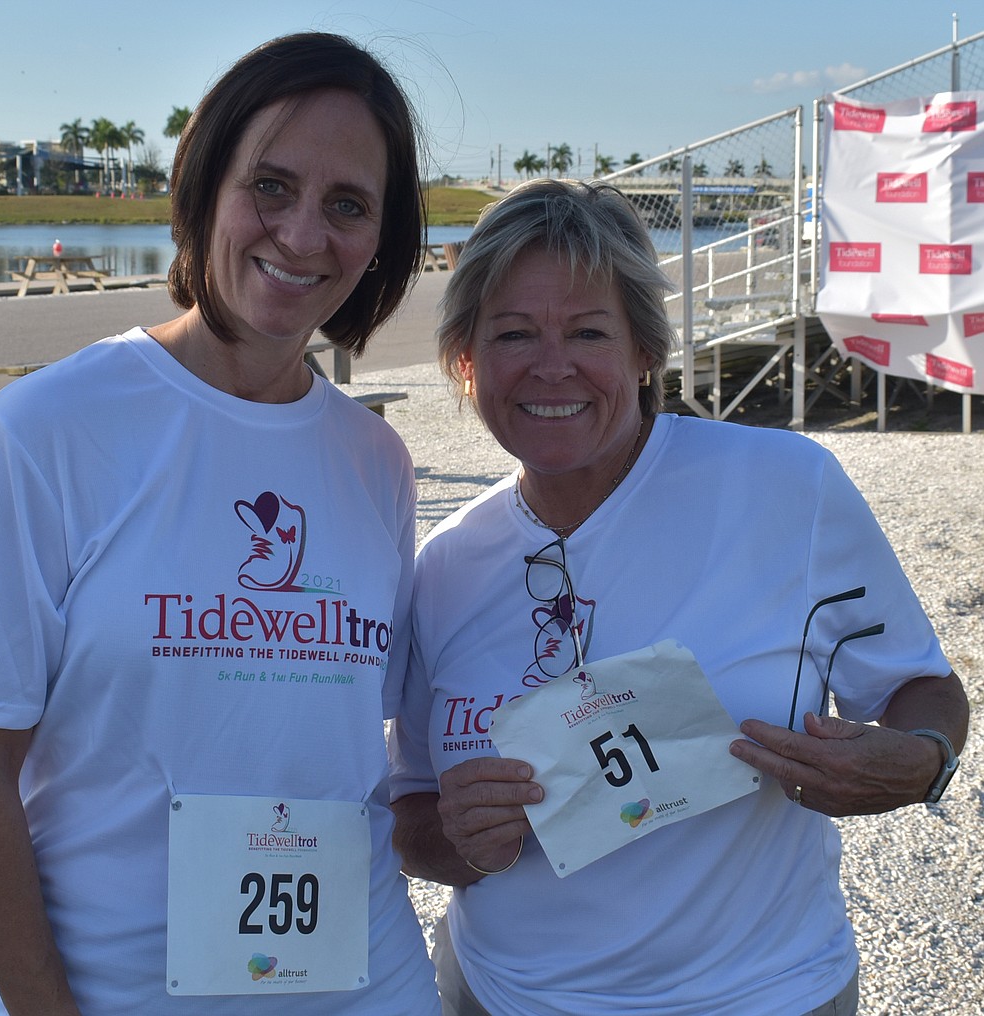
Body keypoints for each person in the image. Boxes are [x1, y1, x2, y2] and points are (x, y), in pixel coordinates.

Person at [0, 32, 440, 1015]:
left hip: (363, 982)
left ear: (381, 239)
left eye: (348, 205)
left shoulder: (376, 460)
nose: (304, 233)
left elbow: (370, 743)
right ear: (202, 185)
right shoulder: (52, 427)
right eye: (269, 187)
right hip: (121, 989)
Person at [389, 178, 969, 1015]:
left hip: (769, 995)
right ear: (466, 359)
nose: (552, 367)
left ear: (644, 352)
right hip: (507, 997)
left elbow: (924, 686)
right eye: (513, 333)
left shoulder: (785, 488)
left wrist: (922, 762)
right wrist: (464, 839)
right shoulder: (442, 568)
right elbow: (412, 815)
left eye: (589, 331)